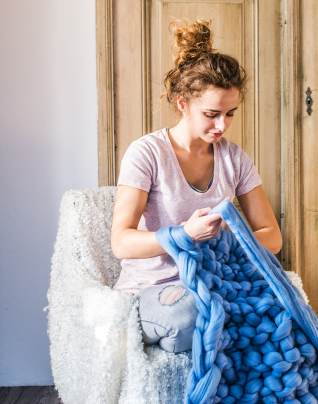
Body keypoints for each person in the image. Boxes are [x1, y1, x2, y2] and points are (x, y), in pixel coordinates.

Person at [110, 19, 282, 352]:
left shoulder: (234, 159)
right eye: (211, 113)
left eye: (231, 113)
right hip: (154, 287)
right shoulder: (146, 153)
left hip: (215, 280)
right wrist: (185, 235)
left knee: (285, 311)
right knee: (193, 319)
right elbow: (121, 242)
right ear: (182, 104)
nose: (222, 125)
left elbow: (271, 236)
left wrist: (225, 238)